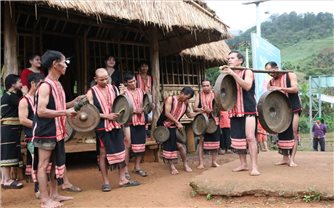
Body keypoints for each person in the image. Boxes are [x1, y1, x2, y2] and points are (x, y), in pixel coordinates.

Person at [33, 50, 83, 208]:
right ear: (55, 64)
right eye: (64, 62)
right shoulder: (45, 86)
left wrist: (74, 102)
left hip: (57, 132)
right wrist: (65, 112)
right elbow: (41, 111)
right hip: (46, 131)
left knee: (55, 164)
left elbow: (61, 106)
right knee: (43, 165)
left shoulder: (58, 84)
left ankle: (54, 194)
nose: (66, 66)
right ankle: (44, 200)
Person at [86, 68, 140, 192]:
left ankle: (122, 179)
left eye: (106, 78)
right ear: (95, 79)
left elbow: (121, 104)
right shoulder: (91, 93)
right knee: (103, 154)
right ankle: (105, 182)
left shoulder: (114, 88)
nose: (105, 81)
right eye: (101, 79)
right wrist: (106, 116)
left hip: (116, 125)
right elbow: (89, 112)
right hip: (102, 127)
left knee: (121, 152)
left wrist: (123, 95)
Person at [220, 50, 260, 176]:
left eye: (232, 58)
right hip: (234, 110)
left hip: (248, 109)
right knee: (237, 140)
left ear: (240, 61)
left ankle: (254, 167)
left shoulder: (247, 71)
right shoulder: (227, 75)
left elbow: (247, 86)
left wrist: (233, 73)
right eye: (228, 58)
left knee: (250, 138)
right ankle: (243, 164)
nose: (229, 60)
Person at [265, 61, 302, 166]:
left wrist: (280, 88)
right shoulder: (270, 83)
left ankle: (292, 159)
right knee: (282, 133)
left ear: (276, 68)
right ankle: (285, 158)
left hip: (294, 107)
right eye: (268, 73)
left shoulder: (290, 75)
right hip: (281, 111)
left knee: (294, 132)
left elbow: (295, 89)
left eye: (271, 71)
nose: (270, 74)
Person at [157, 87, 198, 175]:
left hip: (174, 126)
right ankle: (172, 166)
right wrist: (177, 122)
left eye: (189, 98)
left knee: (180, 146)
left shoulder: (185, 103)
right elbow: (167, 113)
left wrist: (200, 112)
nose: (187, 99)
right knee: (170, 146)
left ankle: (185, 164)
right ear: (182, 93)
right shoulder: (170, 99)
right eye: (187, 97)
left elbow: (189, 115)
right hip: (163, 126)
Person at [19, 73, 45, 197]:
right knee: (37, 162)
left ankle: (44, 187)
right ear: (33, 84)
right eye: (41, 83)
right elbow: (23, 120)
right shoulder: (24, 101)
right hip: (32, 137)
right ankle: (37, 188)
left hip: (44, 135)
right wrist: (39, 125)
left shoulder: (42, 98)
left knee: (44, 162)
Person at [122, 74, 148, 178]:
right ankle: (125, 170)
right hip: (128, 121)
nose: (133, 83)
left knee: (140, 145)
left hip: (141, 121)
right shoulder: (124, 93)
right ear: (126, 83)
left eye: (134, 81)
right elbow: (121, 107)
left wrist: (145, 108)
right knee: (127, 144)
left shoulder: (142, 91)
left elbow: (147, 104)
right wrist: (134, 110)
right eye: (130, 82)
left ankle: (137, 167)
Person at [0, 74, 23, 189]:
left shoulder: (6, 96)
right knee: (7, 153)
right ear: (13, 84)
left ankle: (5, 179)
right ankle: (7, 180)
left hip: (8, 128)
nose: (21, 84)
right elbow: (24, 105)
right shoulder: (11, 96)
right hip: (9, 128)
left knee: (6, 152)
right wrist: (27, 92)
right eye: (19, 82)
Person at [193, 80, 220, 169]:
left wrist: (211, 110)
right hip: (202, 121)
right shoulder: (199, 95)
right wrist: (203, 110)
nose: (206, 87)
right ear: (202, 87)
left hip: (214, 120)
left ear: (211, 86)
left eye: (207, 85)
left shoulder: (215, 95)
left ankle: (214, 161)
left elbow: (220, 107)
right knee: (201, 142)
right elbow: (195, 108)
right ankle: (201, 163)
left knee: (215, 142)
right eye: (204, 86)